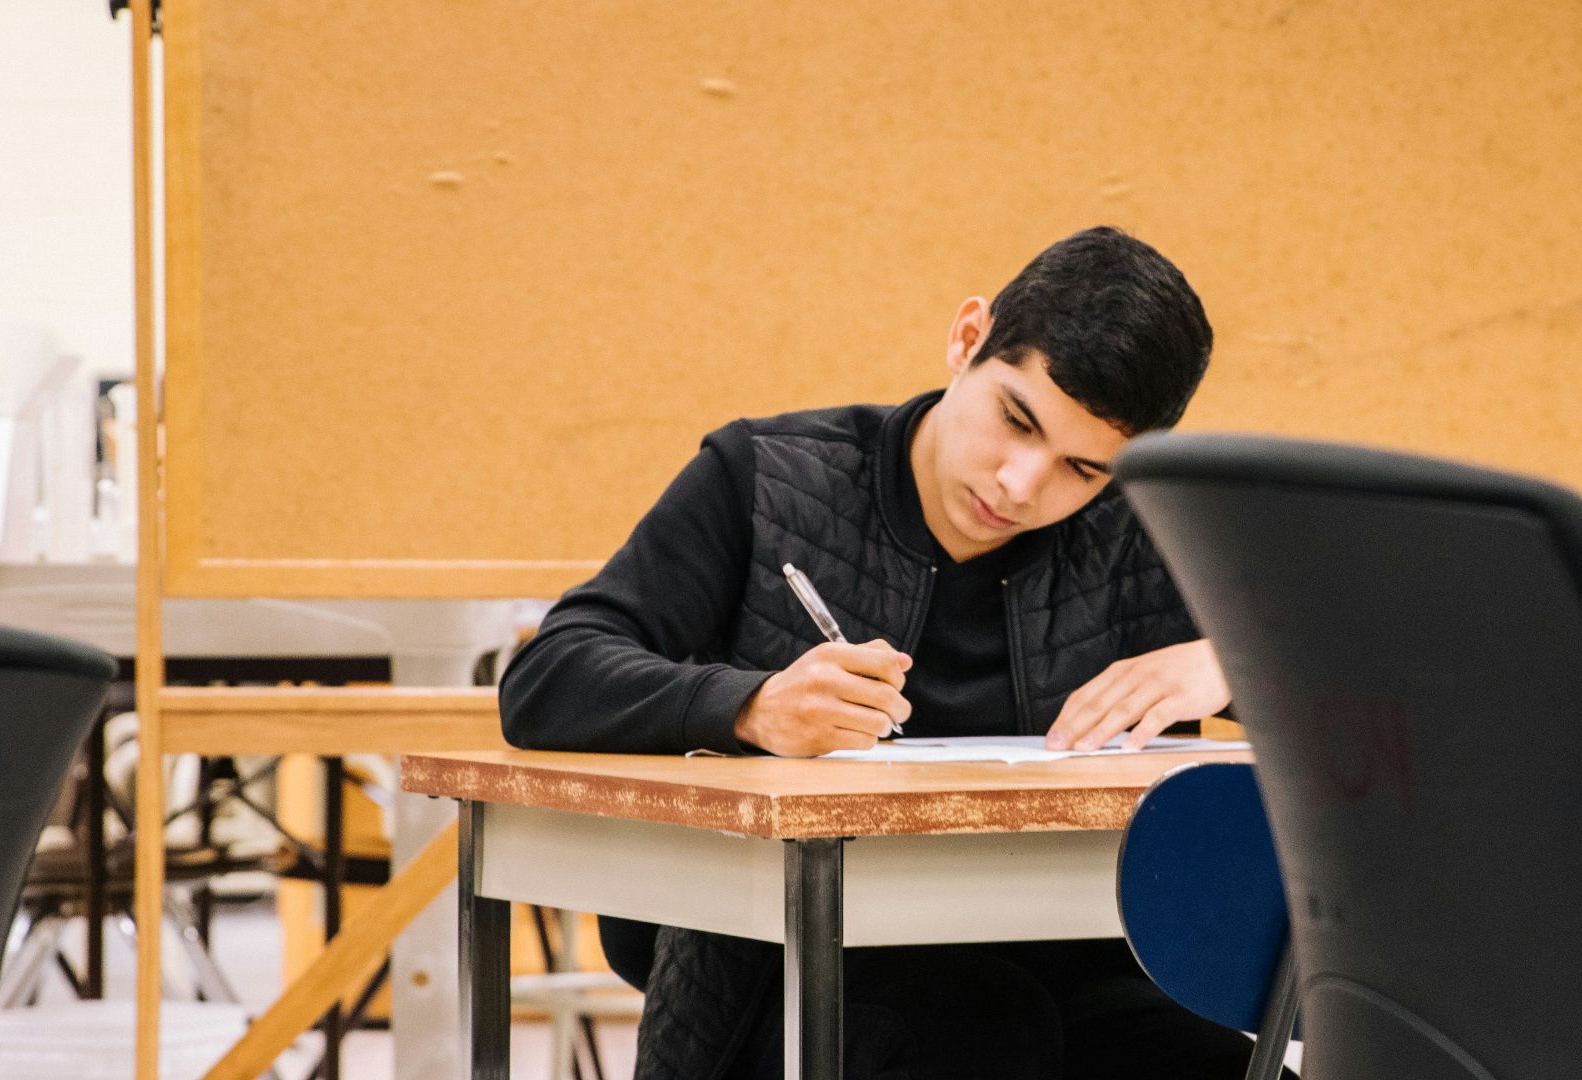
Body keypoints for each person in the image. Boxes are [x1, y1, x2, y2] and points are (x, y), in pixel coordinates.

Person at [501, 227, 1270, 1079]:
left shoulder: (1140, 531)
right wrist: (750, 708)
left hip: (1078, 965)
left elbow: (1396, 696)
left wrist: (1234, 665)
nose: (1021, 484)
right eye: (1015, 418)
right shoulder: (766, 477)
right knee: (978, 1028)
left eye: (1082, 470)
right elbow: (548, 676)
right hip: (790, 970)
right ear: (967, 338)